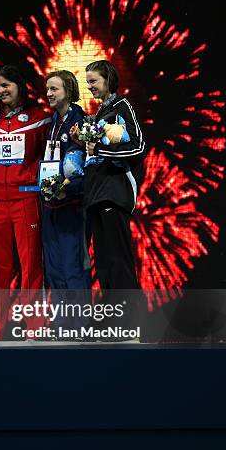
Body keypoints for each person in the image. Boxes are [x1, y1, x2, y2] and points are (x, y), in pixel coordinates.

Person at [0, 65, 51, 341]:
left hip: (25, 198)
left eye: (6, 85)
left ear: (20, 86)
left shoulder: (40, 118)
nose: (1, 90)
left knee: (31, 267)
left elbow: (49, 155)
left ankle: (36, 330)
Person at [72, 60, 146, 291]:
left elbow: (139, 146)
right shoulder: (100, 113)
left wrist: (100, 149)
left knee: (118, 263)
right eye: (88, 82)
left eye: (93, 81)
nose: (90, 87)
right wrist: (82, 143)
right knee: (104, 265)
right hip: (96, 195)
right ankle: (115, 321)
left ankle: (132, 323)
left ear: (108, 80)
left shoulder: (123, 106)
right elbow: (95, 154)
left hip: (114, 193)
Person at [42, 70, 89, 290]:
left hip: (71, 207)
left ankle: (79, 324)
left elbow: (82, 169)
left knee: (73, 270)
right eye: (47, 88)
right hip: (51, 205)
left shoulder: (78, 122)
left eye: (54, 89)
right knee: (54, 271)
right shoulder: (53, 121)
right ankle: (62, 323)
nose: (48, 93)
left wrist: (67, 189)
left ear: (68, 91)